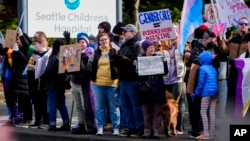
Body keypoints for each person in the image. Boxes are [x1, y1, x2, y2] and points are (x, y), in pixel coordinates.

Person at [88, 32, 120, 136]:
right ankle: (100, 128)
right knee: (99, 107)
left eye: (105, 39)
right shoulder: (96, 52)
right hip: (97, 83)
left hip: (112, 83)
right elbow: (87, 65)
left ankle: (116, 128)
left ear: (109, 40)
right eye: (101, 40)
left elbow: (121, 65)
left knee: (113, 107)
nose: (104, 41)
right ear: (99, 42)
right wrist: (84, 62)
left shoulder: (115, 51)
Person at [218, 17, 249, 121]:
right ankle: (233, 120)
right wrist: (220, 37)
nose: (243, 25)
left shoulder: (248, 40)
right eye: (241, 23)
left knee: (243, 96)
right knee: (232, 96)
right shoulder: (233, 40)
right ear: (238, 25)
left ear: (248, 26)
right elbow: (223, 50)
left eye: (245, 24)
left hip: (245, 74)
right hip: (233, 72)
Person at [157, 24, 186, 135]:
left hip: (178, 78)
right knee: (165, 105)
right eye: (171, 30)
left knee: (178, 104)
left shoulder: (182, 43)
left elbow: (187, 53)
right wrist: (158, 45)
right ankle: (164, 128)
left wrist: (185, 51)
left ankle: (178, 127)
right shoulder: (161, 44)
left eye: (175, 30)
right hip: (165, 78)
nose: (173, 32)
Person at [138, 40, 167, 139]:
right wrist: (136, 66)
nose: (152, 49)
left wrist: (164, 63)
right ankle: (147, 131)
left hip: (157, 88)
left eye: (153, 47)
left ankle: (156, 131)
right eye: (149, 47)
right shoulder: (140, 59)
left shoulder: (158, 58)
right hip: (145, 90)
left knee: (157, 111)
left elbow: (165, 72)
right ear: (145, 49)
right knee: (146, 112)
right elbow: (137, 75)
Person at [118, 24, 144, 137]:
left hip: (133, 79)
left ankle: (139, 127)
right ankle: (130, 127)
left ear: (133, 32)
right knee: (125, 106)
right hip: (123, 79)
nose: (124, 33)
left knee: (136, 105)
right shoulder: (124, 45)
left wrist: (123, 59)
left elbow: (138, 61)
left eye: (126, 31)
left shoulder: (138, 44)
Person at [69, 32, 96, 134]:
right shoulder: (75, 52)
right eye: (79, 42)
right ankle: (81, 124)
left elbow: (89, 61)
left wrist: (84, 57)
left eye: (83, 42)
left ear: (87, 43)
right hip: (75, 82)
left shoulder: (89, 52)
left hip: (85, 83)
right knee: (78, 106)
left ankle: (90, 125)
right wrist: (68, 43)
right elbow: (68, 61)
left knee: (88, 105)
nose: (81, 43)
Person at [42, 39, 70, 131]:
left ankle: (52, 124)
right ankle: (66, 122)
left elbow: (47, 71)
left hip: (52, 84)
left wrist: (42, 77)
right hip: (61, 85)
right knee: (61, 104)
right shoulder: (64, 57)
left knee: (52, 105)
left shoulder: (54, 58)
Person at [190, 51, 219, 140]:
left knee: (203, 112)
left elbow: (201, 83)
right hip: (215, 93)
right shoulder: (213, 68)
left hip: (206, 94)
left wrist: (195, 93)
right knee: (212, 113)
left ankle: (205, 133)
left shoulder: (202, 68)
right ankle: (212, 133)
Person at [27, 31, 51, 128]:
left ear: (41, 43)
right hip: (34, 82)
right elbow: (30, 69)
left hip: (45, 83)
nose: (34, 47)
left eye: (36, 44)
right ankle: (38, 120)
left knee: (44, 102)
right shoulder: (34, 54)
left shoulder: (48, 54)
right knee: (36, 102)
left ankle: (46, 121)